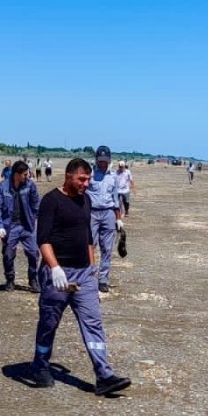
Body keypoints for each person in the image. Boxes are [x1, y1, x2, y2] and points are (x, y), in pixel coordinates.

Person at [27, 158, 131, 396]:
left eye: (88, 179)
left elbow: (88, 239)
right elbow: (42, 240)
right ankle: (40, 364)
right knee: (49, 323)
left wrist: (92, 273)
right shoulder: (51, 201)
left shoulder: (86, 200)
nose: (86, 183)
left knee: (93, 322)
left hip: (84, 274)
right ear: (68, 177)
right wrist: (54, 268)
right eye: (81, 179)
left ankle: (104, 375)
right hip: (58, 275)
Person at [0, 160, 41, 290]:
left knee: (33, 253)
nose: (27, 176)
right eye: (25, 174)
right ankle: (10, 279)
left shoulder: (30, 186)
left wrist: (36, 219)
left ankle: (33, 279)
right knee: (8, 254)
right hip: (10, 226)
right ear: (17, 174)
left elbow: (37, 204)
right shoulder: (2, 188)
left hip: (27, 226)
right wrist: (0, 227)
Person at [86, 146, 123, 293]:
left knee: (107, 248)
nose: (103, 164)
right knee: (90, 245)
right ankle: (88, 276)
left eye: (105, 161)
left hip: (108, 213)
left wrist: (118, 218)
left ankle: (103, 280)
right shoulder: (90, 175)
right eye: (101, 161)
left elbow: (116, 198)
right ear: (96, 160)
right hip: (92, 213)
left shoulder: (113, 177)